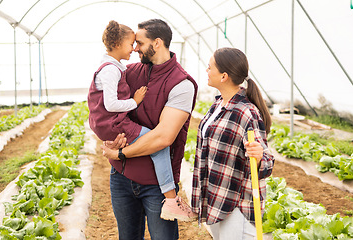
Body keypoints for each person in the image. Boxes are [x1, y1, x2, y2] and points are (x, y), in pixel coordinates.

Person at [87, 20, 195, 225]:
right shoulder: (128, 72)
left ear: (156, 43)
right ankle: (172, 199)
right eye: (132, 43)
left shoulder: (181, 83)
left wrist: (119, 152)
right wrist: (112, 137)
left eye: (139, 43)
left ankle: (170, 200)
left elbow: (163, 138)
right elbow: (104, 104)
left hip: (154, 183)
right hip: (121, 175)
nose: (135, 48)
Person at [191, 47, 275, 240]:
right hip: (216, 196)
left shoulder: (246, 112)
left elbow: (268, 161)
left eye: (210, 66)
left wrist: (260, 156)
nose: (206, 70)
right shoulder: (218, 105)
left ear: (224, 76)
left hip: (236, 205)